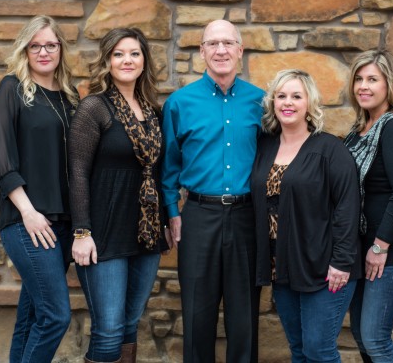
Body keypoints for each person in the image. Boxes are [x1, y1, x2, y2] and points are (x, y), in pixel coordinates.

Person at [161, 19, 264, 363]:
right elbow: (169, 167)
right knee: (197, 313)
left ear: (240, 50)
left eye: (228, 43)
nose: (221, 50)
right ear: (202, 51)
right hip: (198, 216)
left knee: (244, 317)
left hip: (247, 216)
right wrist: (173, 213)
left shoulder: (260, 102)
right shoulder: (179, 103)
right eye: (213, 44)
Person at [69, 28, 169, 363]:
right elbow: (78, 173)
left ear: (144, 62)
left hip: (145, 233)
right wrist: (82, 232)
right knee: (109, 328)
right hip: (104, 232)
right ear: (107, 61)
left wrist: (166, 221)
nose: (127, 60)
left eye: (134, 53)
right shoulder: (94, 108)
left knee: (129, 324)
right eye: (119, 54)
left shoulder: (152, 112)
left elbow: (155, 173)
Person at [251, 69, 361, 363]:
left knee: (319, 350)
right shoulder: (265, 147)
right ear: (273, 102)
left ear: (309, 103)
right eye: (281, 96)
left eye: (296, 96)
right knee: (299, 350)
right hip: (283, 267)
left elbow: (348, 208)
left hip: (324, 268)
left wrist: (341, 261)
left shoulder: (330, 149)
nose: (288, 103)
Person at [0, 15, 78, 363]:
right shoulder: (12, 88)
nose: (43, 52)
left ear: (60, 48)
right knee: (56, 316)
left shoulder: (70, 98)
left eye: (50, 45)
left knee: (31, 317)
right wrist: (28, 212)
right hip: (25, 219)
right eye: (35, 46)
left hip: (62, 223)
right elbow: (1, 156)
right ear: (25, 50)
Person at [344, 49, 393, 363]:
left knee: (375, 339)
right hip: (361, 246)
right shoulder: (358, 131)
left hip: (390, 249)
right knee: (364, 337)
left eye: (372, 79)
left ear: (389, 85)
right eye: (359, 79)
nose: (364, 86)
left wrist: (380, 246)